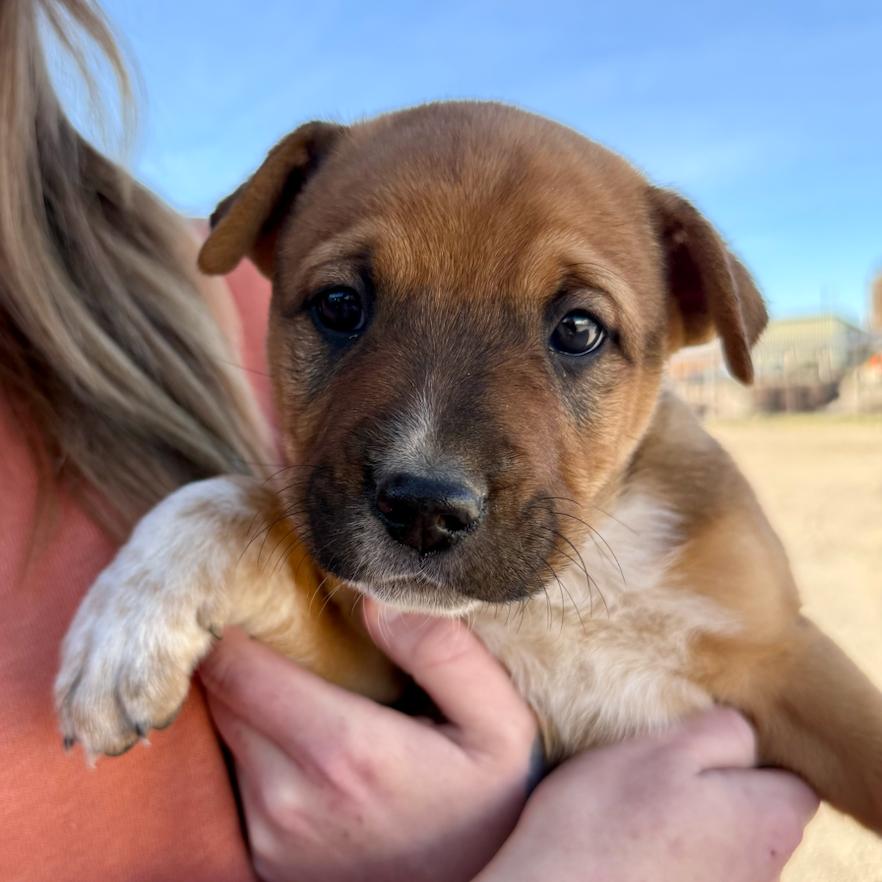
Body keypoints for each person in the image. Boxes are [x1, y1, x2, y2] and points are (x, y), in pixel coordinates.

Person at [0, 1, 818, 880]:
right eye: (343, 310)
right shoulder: (242, 292)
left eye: (576, 332)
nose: (424, 473)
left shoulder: (174, 289)